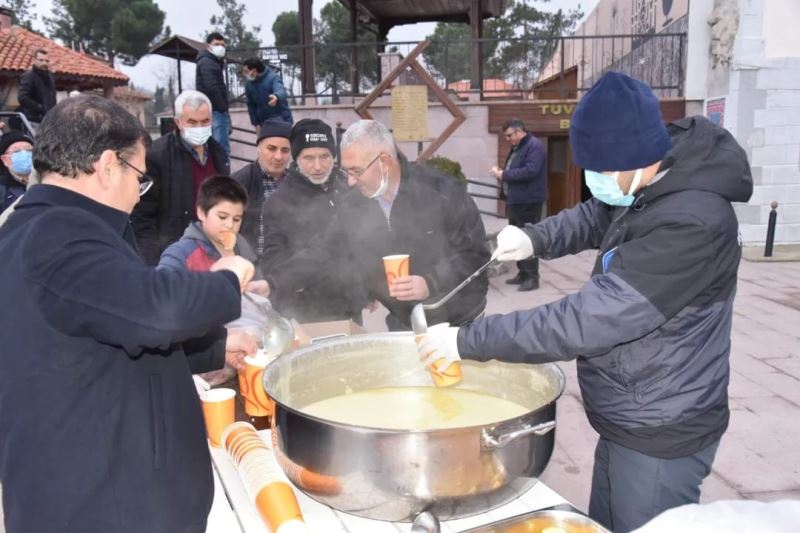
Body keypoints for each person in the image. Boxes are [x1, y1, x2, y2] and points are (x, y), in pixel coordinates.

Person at [418, 72, 754, 533]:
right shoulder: (646, 175)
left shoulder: (693, 224)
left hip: (663, 425)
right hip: (630, 409)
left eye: (599, 169)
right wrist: (533, 238)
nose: (593, 180)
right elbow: (596, 214)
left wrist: (468, 340)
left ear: (635, 156)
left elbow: (586, 320)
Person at [0, 95, 258, 533]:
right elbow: (155, 308)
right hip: (97, 506)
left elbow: (108, 337)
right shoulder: (58, 232)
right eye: (139, 177)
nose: (139, 195)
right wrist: (226, 279)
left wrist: (217, 347)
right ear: (106, 166)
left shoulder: (35, 228)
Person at [263, 119, 489, 331]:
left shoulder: (442, 191)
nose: (350, 181)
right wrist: (273, 283)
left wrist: (431, 282)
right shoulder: (353, 206)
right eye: (346, 172)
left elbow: (476, 255)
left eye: (356, 171)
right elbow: (322, 252)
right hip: (405, 322)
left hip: (461, 321)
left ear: (384, 162)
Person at [260, 119, 365, 323]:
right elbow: (273, 261)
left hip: (350, 306)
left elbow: (358, 244)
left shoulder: (346, 188)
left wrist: (365, 289)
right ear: (296, 159)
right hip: (308, 312)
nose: (318, 166)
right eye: (309, 158)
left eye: (324, 156)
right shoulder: (279, 201)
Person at [132, 90, 229, 265]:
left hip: (213, 252)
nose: (199, 127)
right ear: (178, 122)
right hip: (173, 253)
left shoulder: (219, 154)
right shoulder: (157, 156)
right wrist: (153, 262)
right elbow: (142, 215)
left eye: (204, 121)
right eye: (192, 122)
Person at [491, 118, 547, 291]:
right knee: (517, 238)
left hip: (528, 201)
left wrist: (503, 175)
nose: (508, 139)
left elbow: (531, 170)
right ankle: (522, 273)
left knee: (528, 238)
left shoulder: (534, 146)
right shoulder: (520, 146)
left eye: (509, 135)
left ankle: (532, 278)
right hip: (516, 200)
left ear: (519, 131)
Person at [231, 118, 291, 266]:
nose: (278, 157)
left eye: (285, 150)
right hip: (250, 269)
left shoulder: (295, 183)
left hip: (287, 272)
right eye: (271, 148)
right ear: (258, 148)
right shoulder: (239, 182)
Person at [195, 32, 230, 159]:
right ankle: (223, 178)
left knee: (216, 148)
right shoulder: (207, 62)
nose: (220, 47)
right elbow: (212, 87)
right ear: (208, 46)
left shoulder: (212, 62)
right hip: (215, 110)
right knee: (221, 149)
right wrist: (222, 107)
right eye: (216, 44)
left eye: (222, 45)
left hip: (214, 109)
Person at [243, 57, 293, 129]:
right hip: (264, 124)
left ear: (254, 71)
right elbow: (251, 104)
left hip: (282, 121)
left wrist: (276, 97)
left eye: (246, 71)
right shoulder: (249, 84)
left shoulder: (273, 78)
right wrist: (255, 123)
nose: (244, 74)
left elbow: (281, 90)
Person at [17, 48, 56, 127]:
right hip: (34, 121)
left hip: (49, 121)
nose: (44, 63)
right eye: (41, 60)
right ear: (34, 60)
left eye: (47, 61)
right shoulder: (28, 76)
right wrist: (40, 108)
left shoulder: (50, 77)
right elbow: (23, 98)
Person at [0, 131, 33, 213]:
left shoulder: (48, 181)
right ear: (5, 160)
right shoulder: (2, 190)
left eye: (29, 150)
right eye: (16, 152)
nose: (24, 154)